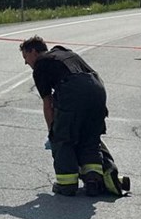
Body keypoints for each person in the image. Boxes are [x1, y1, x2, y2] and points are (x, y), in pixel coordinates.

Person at [19, 36, 127, 197]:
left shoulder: (41, 64)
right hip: (97, 90)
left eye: (25, 57)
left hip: (74, 90)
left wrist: (52, 131)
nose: (26, 63)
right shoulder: (63, 52)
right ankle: (93, 181)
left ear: (33, 51)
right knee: (89, 138)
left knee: (63, 138)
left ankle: (66, 184)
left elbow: (47, 103)